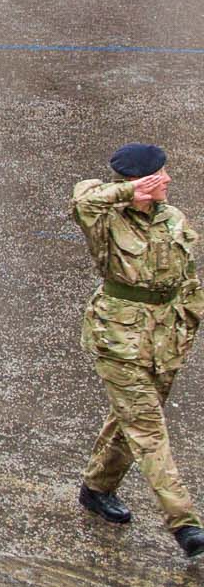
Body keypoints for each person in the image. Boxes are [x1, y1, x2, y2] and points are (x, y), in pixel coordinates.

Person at [72, 144, 204, 558]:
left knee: (130, 420)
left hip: (165, 340)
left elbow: (188, 281)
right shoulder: (105, 216)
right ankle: (186, 524)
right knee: (148, 431)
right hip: (118, 338)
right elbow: (83, 199)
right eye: (158, 175)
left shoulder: (173, 219)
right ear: (138, 182)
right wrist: (128, 193)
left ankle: (97, 488)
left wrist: (187, 326)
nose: (166, 180)